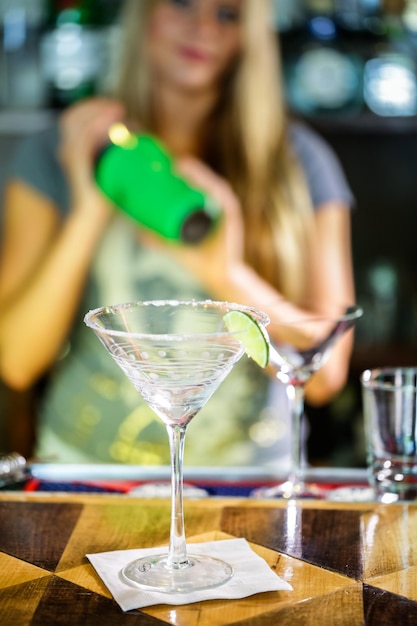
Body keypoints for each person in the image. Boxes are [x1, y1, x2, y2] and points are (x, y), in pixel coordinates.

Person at [0, 0, 356, 468]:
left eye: (227, 14)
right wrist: (88, 205)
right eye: (183, 3)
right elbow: (16, 360)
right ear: (143, 14)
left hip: (254, 480)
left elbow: (325, 375)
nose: (203, 27)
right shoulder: (61, 151)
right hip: (84, 473)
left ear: (248, 36)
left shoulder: (300, 163)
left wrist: (224, 273)